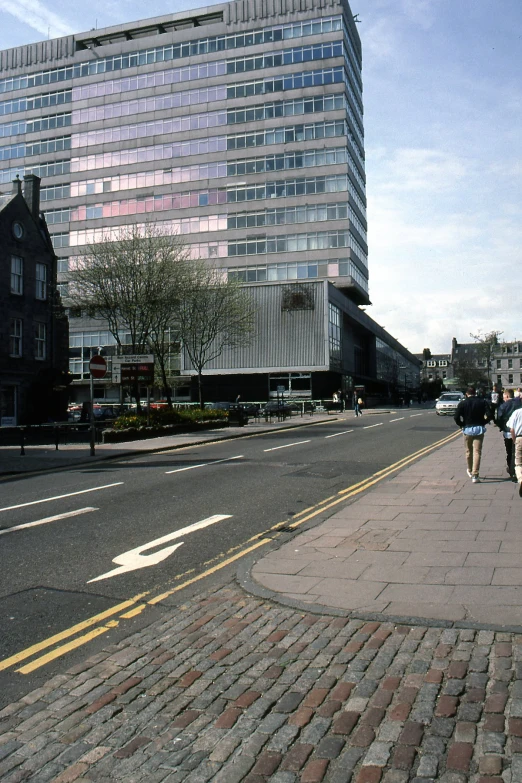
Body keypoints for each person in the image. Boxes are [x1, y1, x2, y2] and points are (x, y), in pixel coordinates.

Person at [454, 386, 492, 483]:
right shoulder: (482, 402)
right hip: (479, 429)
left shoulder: (462, 403)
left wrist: (462, 424)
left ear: (466, 394)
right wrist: (484, 422)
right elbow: (490, 414)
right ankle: (475, 475)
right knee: (477, 452)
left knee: (468, 451)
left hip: (467, 429)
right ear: (475, 393)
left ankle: (470, 470)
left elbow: (456, 417)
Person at [496, 390, 521, 480]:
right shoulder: (519, 404)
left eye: (503, 396)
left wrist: (502, 427)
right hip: (519, 432)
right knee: (518, 452)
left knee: (510, 452)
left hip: (508, 433)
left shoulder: (503, 406)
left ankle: (512, 471)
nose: (503, 398)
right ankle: (516, 470)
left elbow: (499, 418)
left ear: (507, 396)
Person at [507, 405, 522, 498]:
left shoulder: (516, 412)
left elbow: (511, 429)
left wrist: (514, 440)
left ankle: (520, 479)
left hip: (519, 438)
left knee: (518, 464)